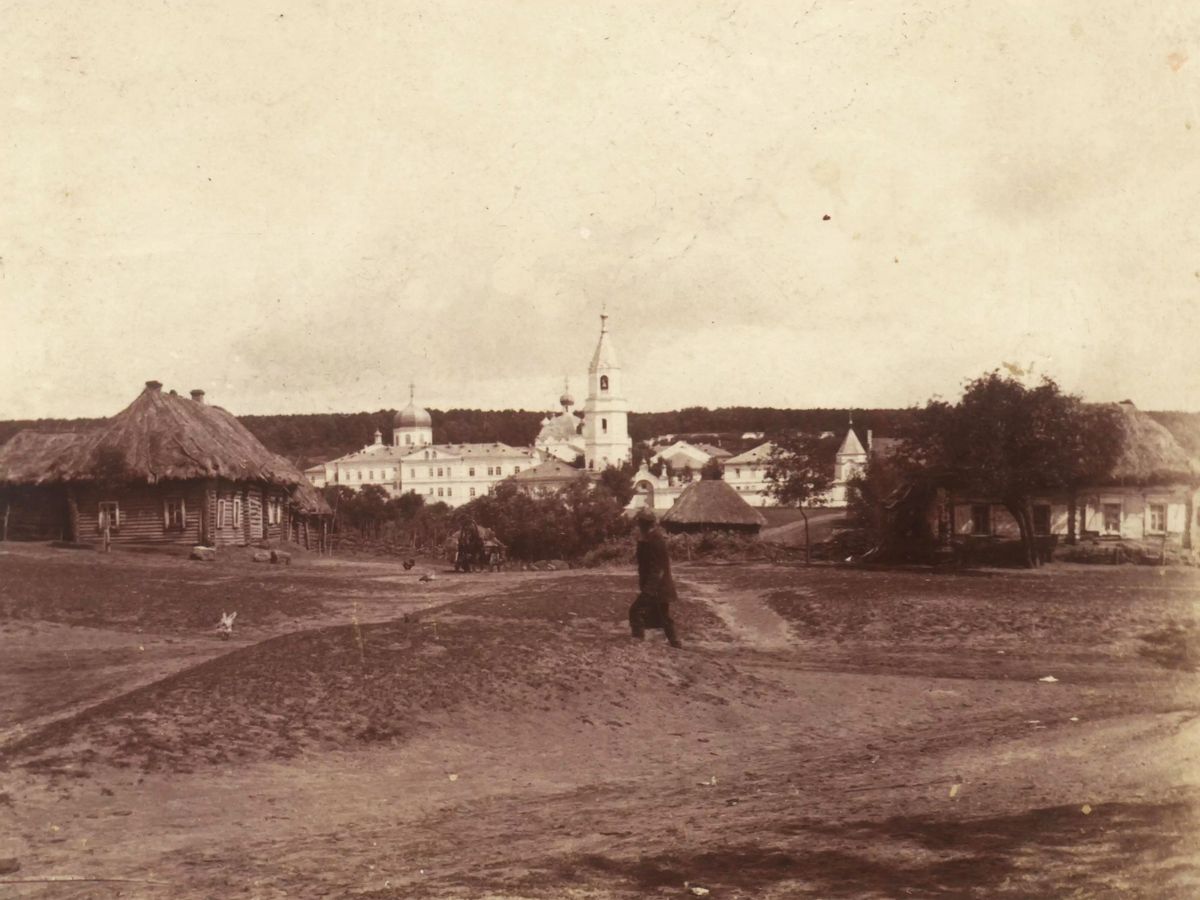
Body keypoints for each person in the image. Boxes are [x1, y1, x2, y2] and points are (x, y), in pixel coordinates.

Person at [629, 506, 682, 648]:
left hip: (657, 586)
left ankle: (637, 640)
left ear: (644, 524)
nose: (638, 526)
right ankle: (675, 643)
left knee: (636, 611)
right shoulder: (650, 538)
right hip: (658, 585)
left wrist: (649, 590)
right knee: (663, 617)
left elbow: (657, 568)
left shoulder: (655, 540)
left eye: (640, 523)